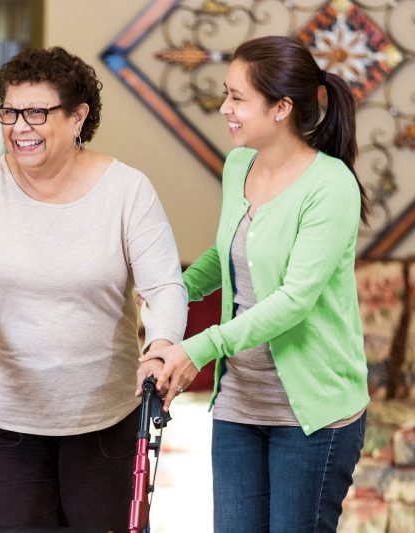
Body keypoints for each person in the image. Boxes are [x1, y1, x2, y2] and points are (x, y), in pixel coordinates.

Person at [0, 46, 187, 529]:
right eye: (9, 112)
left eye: (36, 112)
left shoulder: (126, 191)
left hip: (105, 416)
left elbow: (164, 286)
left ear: (78, 117)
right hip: (5, 415)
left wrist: (160, 347)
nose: (19, 127)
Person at [143, 35, 369, 532]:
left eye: (237, 98)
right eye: (226, 94)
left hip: (312, 415)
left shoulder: (330, 186)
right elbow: (225, 256)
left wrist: (199, 347)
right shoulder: (238, 165)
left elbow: (293, 301)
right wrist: (168, 289)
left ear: (282, 107)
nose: (225, 108)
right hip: (239, 403)